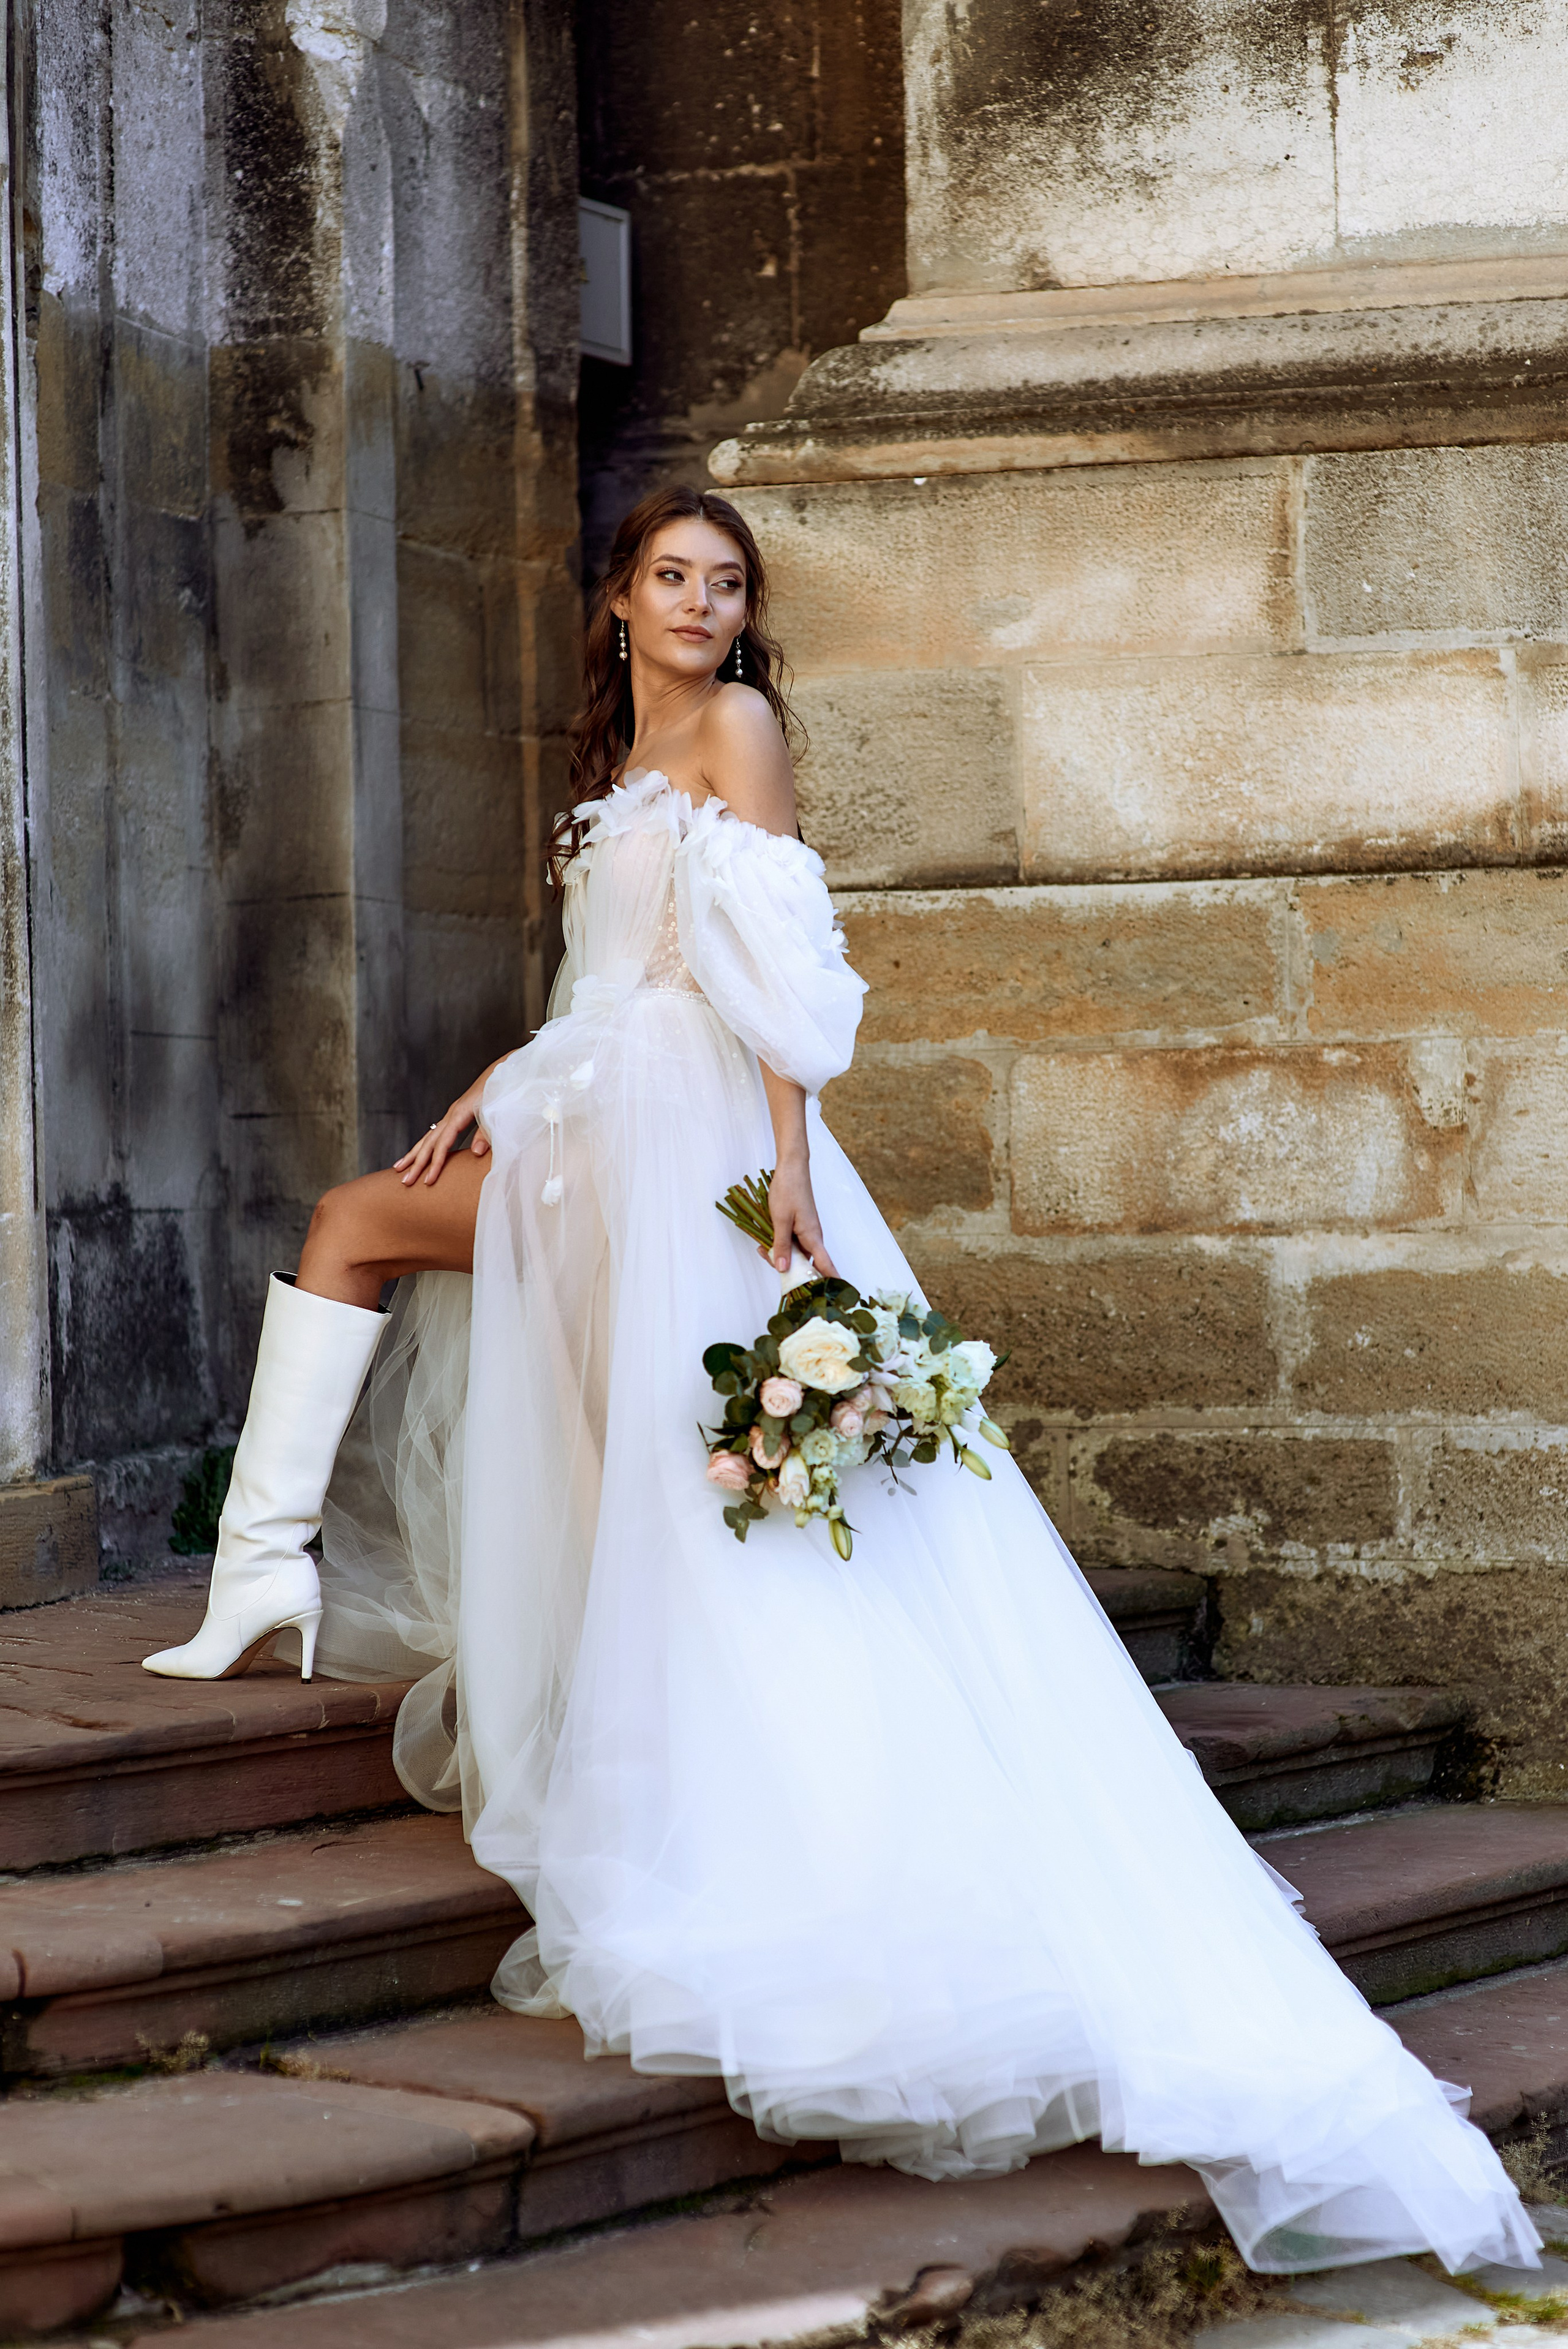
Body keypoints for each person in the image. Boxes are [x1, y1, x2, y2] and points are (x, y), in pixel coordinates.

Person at [144, 487, 1539, 2277]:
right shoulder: (634, 734)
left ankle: (562, 1717)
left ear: (744, 616)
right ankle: (267, 1564)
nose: (701, 607)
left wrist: (794, 1161)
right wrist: (512, 1064)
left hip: (704, 1140)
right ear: (622, 600)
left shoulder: (738, 725)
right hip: (602, 1103)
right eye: (673, 578)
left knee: (592, 1404)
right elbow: (632, 964)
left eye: (727, 586)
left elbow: (784, 964)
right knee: (421, 1274)